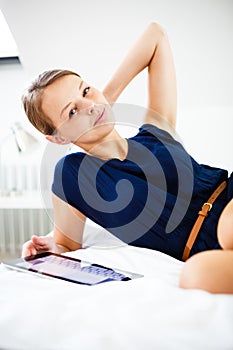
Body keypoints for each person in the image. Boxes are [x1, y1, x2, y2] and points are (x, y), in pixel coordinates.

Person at [21, 22, 233, 294]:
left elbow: (156, 36)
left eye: (85, 90)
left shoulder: (156, 131)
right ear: (58, 138)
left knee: (228, 228)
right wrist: (51, 247)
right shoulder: (73, 174)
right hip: (199, 251)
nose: (89, 106)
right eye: (71, 112)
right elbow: (67, 243)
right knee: (195, 276)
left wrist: (101, 100)